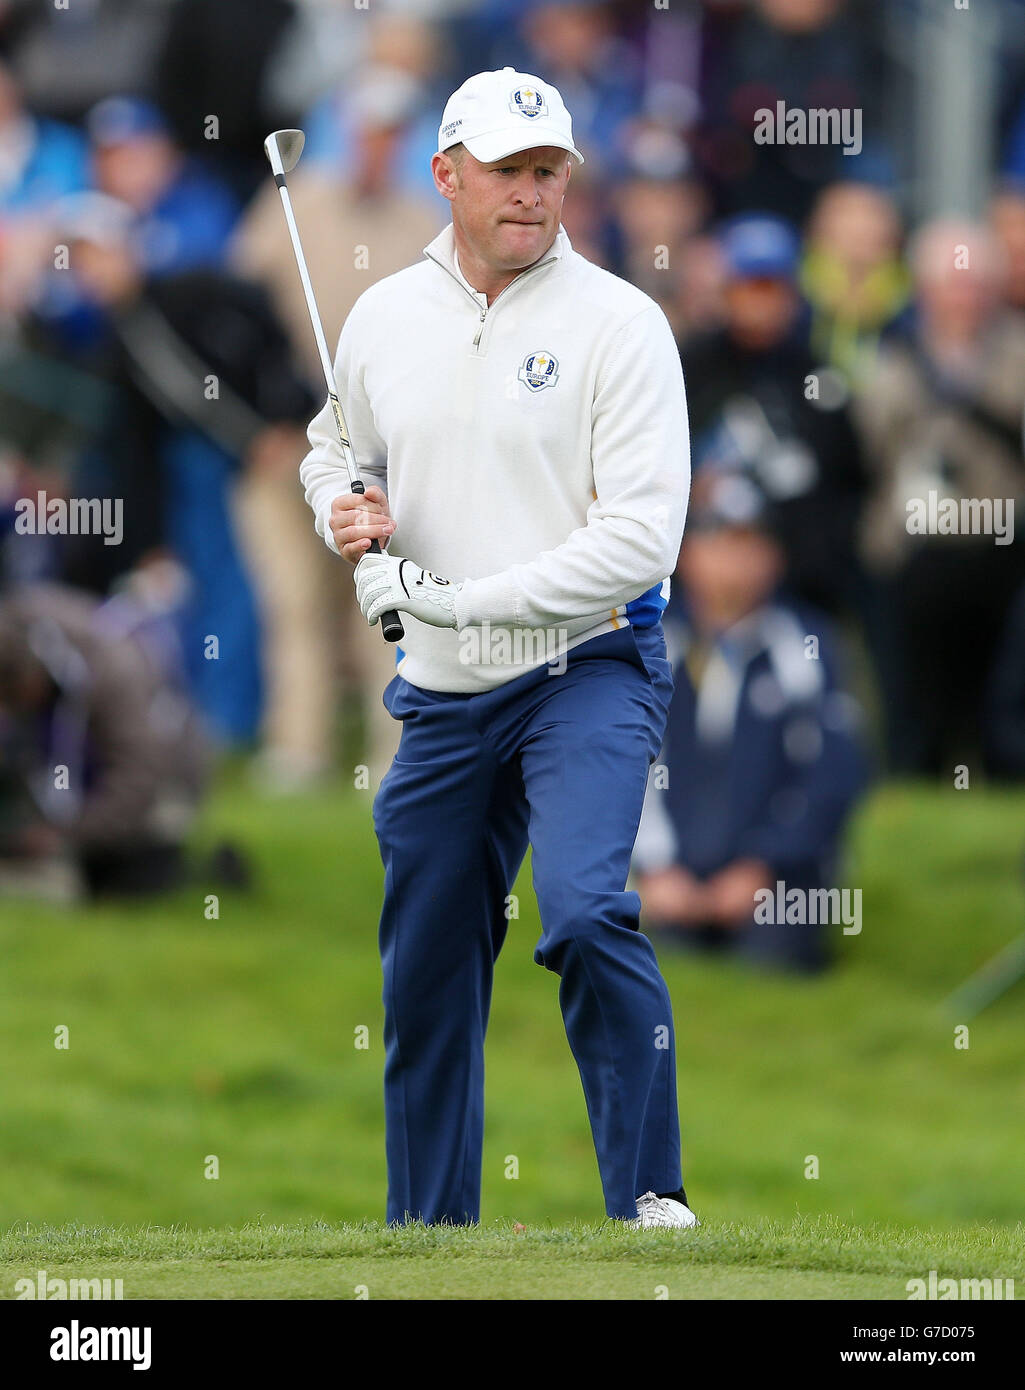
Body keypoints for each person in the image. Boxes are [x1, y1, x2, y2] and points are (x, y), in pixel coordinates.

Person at [299, 68, 696, 1229]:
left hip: (586, 668)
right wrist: (343, 507)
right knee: (423, 973)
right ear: (447, 174)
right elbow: (335, 448)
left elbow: (638, 538)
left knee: (580, 910)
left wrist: (474, 601)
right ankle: (429, 1235)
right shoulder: (383, 316)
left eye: (548, 172)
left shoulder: (620, 323)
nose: (530, 194)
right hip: (444, 691)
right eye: (509, 171)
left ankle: (648, 1194)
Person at [632, 470, 868, 975]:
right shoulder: (653, 647)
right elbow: (625, 764)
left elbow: (834, 773)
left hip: (779, 882)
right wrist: (655, 868)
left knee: (770, 967)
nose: (734, 562)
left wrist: (764, 866)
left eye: (749, 545)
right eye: (718, 543)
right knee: (658, 974)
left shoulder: (807, 645)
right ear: (686, 554)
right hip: (673, 882)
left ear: (774, 557)